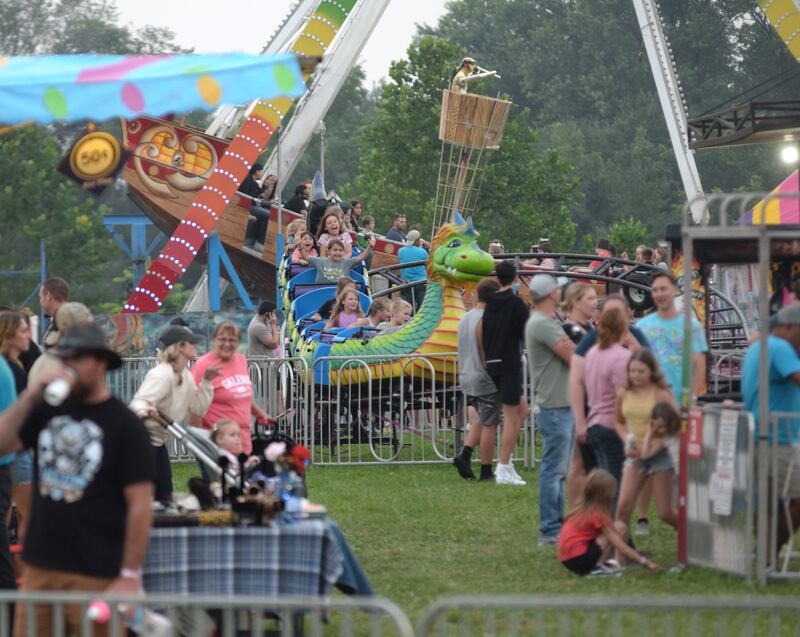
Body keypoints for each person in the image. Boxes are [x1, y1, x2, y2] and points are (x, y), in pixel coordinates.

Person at [0, 323, 155, 635]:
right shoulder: (46, 409)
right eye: (64, 359)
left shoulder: (125, 425)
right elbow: (4, 444)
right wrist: (31, 394)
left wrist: (128, 575)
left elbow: (140, 505)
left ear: (100, 363)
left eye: (77, 359)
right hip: (40, 570)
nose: (68, 365)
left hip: (96, 574)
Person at [568, 295, 649, 509]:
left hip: (609, 421)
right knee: (600, 476)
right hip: (607, 421)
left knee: (610, 478)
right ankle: (597, 525)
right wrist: (579, 421)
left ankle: (606, 525)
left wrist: (632, 341)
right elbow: (576, 381)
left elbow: (650, 367)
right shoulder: (595, 345)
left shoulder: (628, 340)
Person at [130, 326, 217, 504]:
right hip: (143, 441)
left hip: (158, 440)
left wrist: (207, 382)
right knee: (148, 493)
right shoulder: (161, 374)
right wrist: (143, 409)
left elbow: (198, 409)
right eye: (191, 343)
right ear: (180, 347)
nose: (195, 346)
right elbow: (138, 402)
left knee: (164, 492)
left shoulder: (186, 376)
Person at [742, 304, 800, 552]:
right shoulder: (781, 348)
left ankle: (765, 550)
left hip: (760, 434)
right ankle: (769, 551)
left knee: (769, 502)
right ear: (788, 326)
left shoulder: (757, 348)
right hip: (779, 438)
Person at [525, 274, 575, 541]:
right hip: (556, 405)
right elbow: (573, 355)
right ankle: (551, 529)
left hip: (557, 404)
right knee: (554, 470)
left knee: (557, 469)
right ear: (552, 294)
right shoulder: (544, 324)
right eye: (558, 289)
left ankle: (555, 524)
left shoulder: (544, 322)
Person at [613, 352, 677, 544]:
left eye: (641, 371)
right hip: (635, 454)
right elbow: (618, 422)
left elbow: (673, 426)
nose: (636, 375)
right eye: (632, 371)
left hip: (660, 454)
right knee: (623, 507)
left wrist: (652, 447)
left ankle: (689, 534)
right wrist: (627, 440)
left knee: (665, 512)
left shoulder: (660, 394)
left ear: (651, 371)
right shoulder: (624, 393)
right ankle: (621, 555)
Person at [191, 321, 272, 455]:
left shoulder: (241, 360)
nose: (227, 344)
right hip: (217, 444)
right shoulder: (203, 365)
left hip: (242, 440)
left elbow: (241, 393)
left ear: (238, 342)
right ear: (214, 340)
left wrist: (259, 414)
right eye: (222, 339)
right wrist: (202, 443)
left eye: (232, 340)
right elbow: (194, 407)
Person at [558, 469, 658, 576]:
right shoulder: (598, 515)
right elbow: (621, 546)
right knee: (616, 530)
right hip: (581, 559)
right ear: (607, 495)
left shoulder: (579, 509)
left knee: (619, 527)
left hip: (566, 560)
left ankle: (614, 564)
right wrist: (645, 562)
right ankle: (597, 568)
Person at [482, 260, 529, 486]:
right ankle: (502, 467)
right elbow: (526, 332)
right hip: (509, 364)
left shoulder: (489, 305)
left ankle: (507, 462)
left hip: (493, 363)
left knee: (522, 409)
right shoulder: (515, 304)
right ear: (516, 277)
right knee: (511, 418)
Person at [453, 278, 503, 481]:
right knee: (491, 423)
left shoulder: (466, 317)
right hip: (483, 375)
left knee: (482, 418)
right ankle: (486, 470)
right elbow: (485, 350)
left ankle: (465, 455)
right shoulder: (485, 318)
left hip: (466, 373)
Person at [583, 307, 632, 508]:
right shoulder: (622, 356)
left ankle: (602, 527)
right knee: (616, 487)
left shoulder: (593, 352)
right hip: (613, 425)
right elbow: (622, 393)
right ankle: (611, 531)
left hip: (594, 421)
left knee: (603, 484)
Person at [635, 270, 708, 403]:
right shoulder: (642, 326)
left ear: (675, 290)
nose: (659, 294)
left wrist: (692, 395)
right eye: (655, 290)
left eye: (663, 289)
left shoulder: (691, 326)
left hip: (681, 402)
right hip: (650, 402)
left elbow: (700, 363)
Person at [0, 312, 33, 550]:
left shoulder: (13, 368)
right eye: (24, 331)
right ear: (9, 336)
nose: (29, 336)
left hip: (13, 450)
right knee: (27, 517)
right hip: (16, 451)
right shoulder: (11, 370)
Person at [28, 303, 93, 387]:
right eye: (86, 327)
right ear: (69, 329)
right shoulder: (59, 365)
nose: (90, 332)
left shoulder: (48, 359)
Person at [307, 237, 374, 284]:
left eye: (340, 250)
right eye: (335, 250)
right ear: (329, 252)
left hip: (340, 291)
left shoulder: (346, 262)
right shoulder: (321, 261)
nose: (338, 252)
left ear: (343, 252)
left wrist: (369, 247)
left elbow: (360, 257)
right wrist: (300, 248)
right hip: (322, 290)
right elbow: (306, 257)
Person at [239, 163, 270, 250]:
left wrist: (268, 187)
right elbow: (243, 198)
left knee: (267, 212)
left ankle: (252, 240)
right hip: (246, 207)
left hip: (252, 206)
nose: (262, 174)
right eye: (262, 172)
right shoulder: (247, 180)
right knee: (268, 215)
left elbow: (262, 196)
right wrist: (248, 213)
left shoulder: (254, 183)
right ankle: (259, 242)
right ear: (257, 172)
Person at [398, 229, 428, 311]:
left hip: (406, 283)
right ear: (417, 240)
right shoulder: (423, 252)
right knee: (421, 308)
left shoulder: (400, 251)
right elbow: (427, 266)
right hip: (421, 284)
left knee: (407, 308)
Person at [39, 277, 69, 348]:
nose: (40, 301)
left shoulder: (62, 321)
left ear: (48, 296)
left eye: (40, 297)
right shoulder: (75, 317)